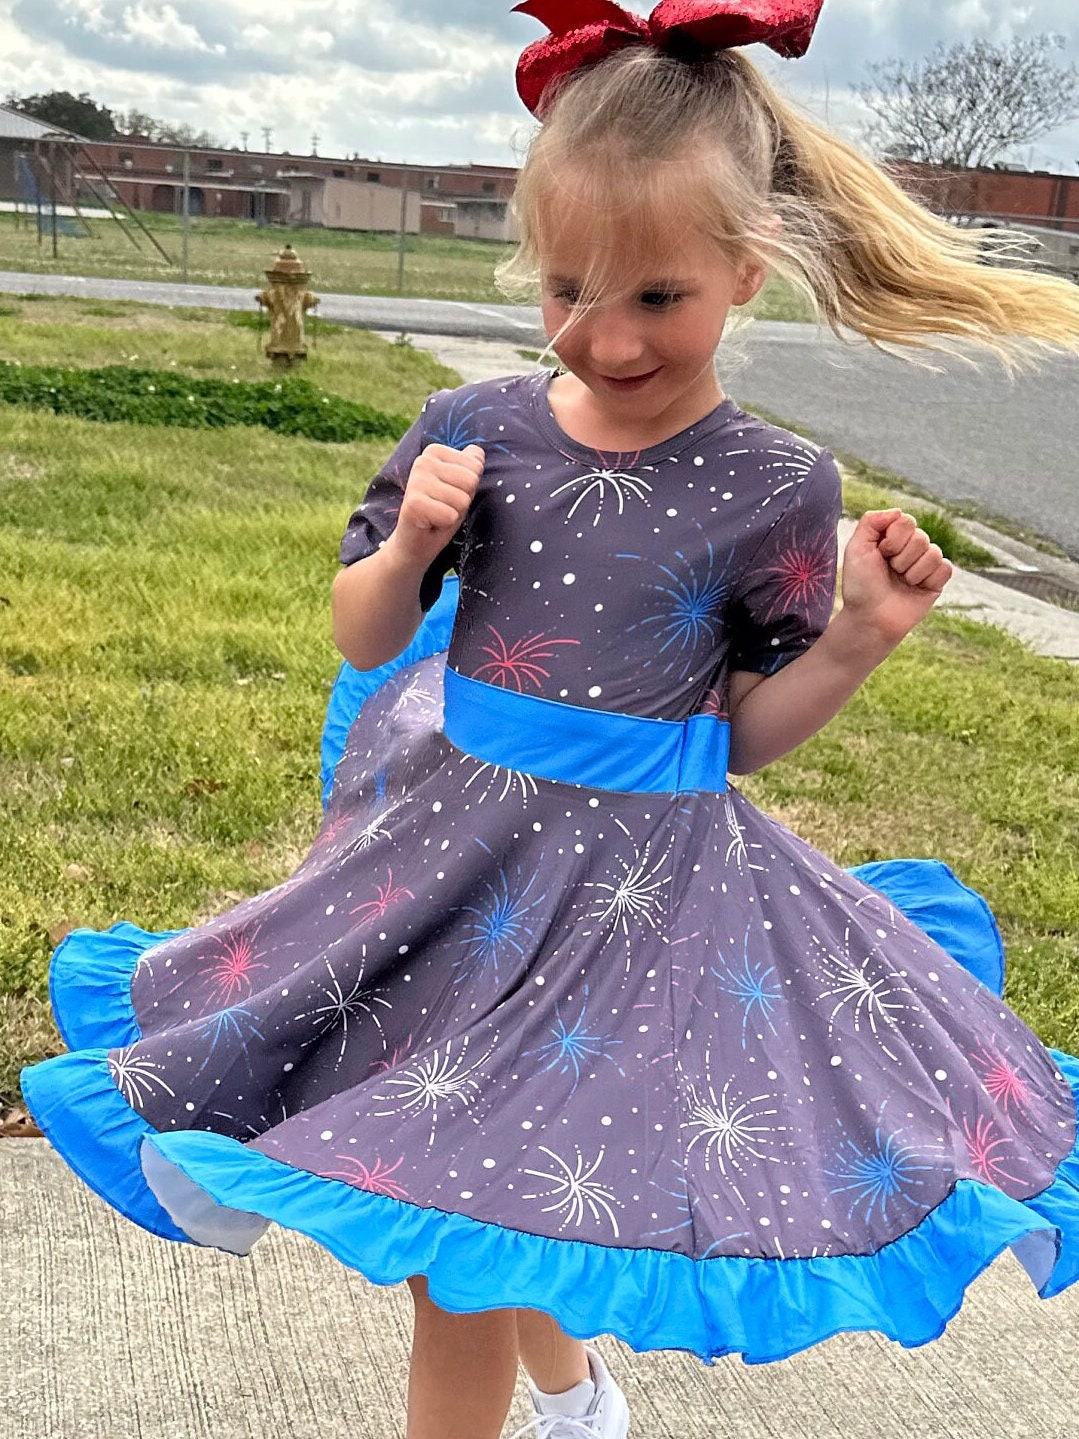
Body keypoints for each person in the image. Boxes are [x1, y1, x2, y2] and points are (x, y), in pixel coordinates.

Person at [21, 3, 1079, 1438]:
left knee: (484, 1202)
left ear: (744, 273)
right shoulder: (481, 427)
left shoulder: (773, 482)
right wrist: (406, 555)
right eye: (566, 288)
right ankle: (576, 1399)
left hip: (627, 906)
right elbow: (364, 633)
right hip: (446, 873)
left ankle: (572, 1397)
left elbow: (745, 734)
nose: (602, 335)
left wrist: (856, 639)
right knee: (467, 1199)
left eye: (656, 297)